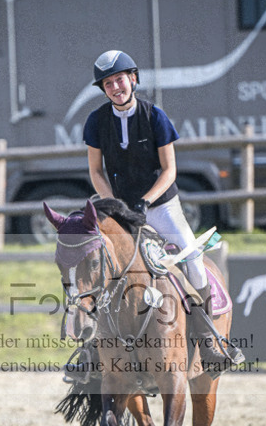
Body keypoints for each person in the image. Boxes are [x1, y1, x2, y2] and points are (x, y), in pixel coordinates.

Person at [84, 49, 240, 376]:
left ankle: (210, 340)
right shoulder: (96, 122)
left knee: (194, 265)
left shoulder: (155, 116)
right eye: (108, 83)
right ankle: (89, 348)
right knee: (96, 268)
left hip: (162, 207)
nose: (115, 87)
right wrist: (113, 205)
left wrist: (146, 201)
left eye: (120, 79)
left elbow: (169, 170)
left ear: (133, 79)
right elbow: (96, 171)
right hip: (121, 209)